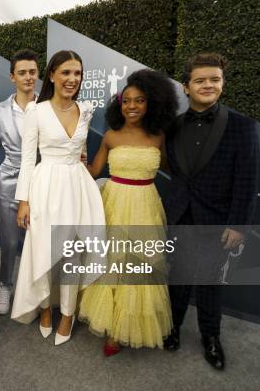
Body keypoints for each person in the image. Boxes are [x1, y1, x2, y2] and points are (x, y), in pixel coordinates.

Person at [162, 52, 259, 370]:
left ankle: (210, 338)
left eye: (214, 79)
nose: (208, 85)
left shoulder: (241, 127)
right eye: (200, 80)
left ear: (222, 83)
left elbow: (247, 179)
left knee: (209, 281)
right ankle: (171, 328)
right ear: (186, 87)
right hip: (178, 214)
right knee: (176, 277)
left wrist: (239, 224)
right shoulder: (172, 126)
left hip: (217, 220)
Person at [78, 69, 178, 356]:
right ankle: (110, 326)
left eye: (139, 100)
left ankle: (123, 331)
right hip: (113, 203)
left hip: (146, 206)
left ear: (152, 104)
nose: (131, 106)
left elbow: (176, 171)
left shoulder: (159, 137)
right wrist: (68, 159)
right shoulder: (110, 136)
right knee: (111, 262)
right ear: (119, 104)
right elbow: (95, 171)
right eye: (126, 100)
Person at [11, 50, 106, 346]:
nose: (72, 79)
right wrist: (24, 200)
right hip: (45, 186)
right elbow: (28, 159)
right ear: (52, 75)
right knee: (43, 250)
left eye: (77, 73)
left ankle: (67, 313)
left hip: (77, 187)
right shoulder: (35, 112)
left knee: (72, 253)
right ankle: (43, 308)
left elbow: (83, 153)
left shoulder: (86, 109)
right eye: (66, 72)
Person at [0, 49, 39, 314]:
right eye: (22, 73)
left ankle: (36, 289)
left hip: (41, 180)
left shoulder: (48, 107)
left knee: (39, 239)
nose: (28, 77)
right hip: (9, 179)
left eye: (32, 72)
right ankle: (6, 285)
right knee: (9, 240)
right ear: (12, 77)